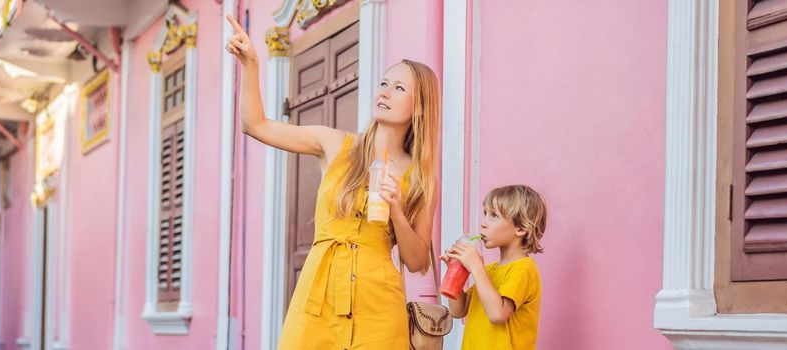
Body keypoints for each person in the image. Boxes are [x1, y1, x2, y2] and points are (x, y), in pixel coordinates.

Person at [226, 15, 442, 349]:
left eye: (399, 88)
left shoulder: (421, 177)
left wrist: (397, 211)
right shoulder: (335, 144)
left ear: (419, 107)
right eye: (384, 83)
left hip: (379, 305)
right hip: (318, 295)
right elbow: (255, 125)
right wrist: (251, 64)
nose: (385, 92)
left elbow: (416, 262)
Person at [443, 185, 548, 350]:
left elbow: (498, 314)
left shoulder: (524, 269)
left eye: (494, 215)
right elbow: (459, 310)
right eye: (485, 213)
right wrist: (455, 273)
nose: (483, 223)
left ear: (520, 228)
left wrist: (476, 267)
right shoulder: (490, 270)